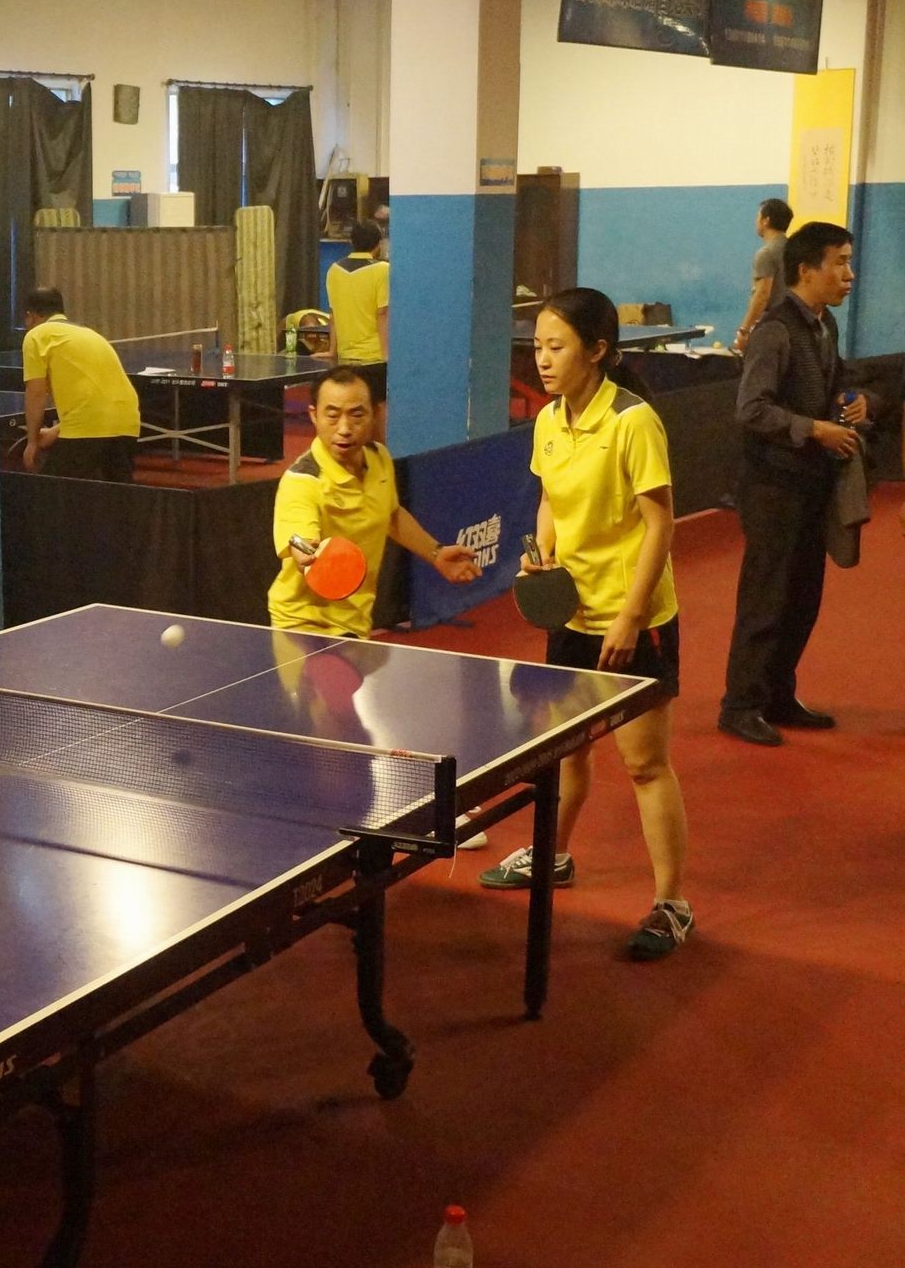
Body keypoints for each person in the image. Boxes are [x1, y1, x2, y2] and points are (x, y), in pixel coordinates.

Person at [479, 288, 693, 962]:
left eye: (557, 347)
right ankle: (554, 855)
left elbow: (660, 524)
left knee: (645, 764)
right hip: (572, 611)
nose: (542, 359)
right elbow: (550, 499)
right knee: (566, 750)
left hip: (633, 617)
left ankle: (672, 904)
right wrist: (541, 552)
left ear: (597, 350)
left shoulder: (633, 421)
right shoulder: (549, 419)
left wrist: (629, 615)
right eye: (538, 346)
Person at [719, 220, 876, 746]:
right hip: (772, 488)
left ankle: (778, 696)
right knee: (766, 599)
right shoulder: (775, 331)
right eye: (840, 263)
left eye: (849, 262)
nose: (849, 274)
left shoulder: (824, 325)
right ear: (807, 270)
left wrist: (857, 402)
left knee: (802, 599)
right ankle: (740, 706)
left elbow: (835, 383)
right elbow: (751, 409)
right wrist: (814, 429)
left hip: (811, 485)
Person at [268, 366, 478, 641]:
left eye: (356, 415)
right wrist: (305, 555)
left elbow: (391, 515)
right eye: (332, 415)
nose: (344, 429)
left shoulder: (379, 457)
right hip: (305, 625)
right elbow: (301, 543)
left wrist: (436, 553)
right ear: (313, 416)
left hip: (355, 620)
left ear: (375, 414)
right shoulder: (303, 480)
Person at [17, 287, 142, 482]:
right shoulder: (91, 334)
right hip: (128, 421)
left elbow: (36, 392)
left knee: (51, 492)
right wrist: (55, 431)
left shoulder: (36, 335)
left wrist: (32, 442)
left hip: (88, 424)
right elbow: (97, 396)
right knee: (116, 495)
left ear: (30, 316)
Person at [325, 221, 390, 396]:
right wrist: (386, 356)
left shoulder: (333, 270)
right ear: (378, 244)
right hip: (374, 358)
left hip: (345, 359)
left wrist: (332, 351)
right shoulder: (383, 270)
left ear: (351, 242)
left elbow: (333, 315)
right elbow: (382, 314)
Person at [733, 197, 794, 353]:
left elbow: (762, 295)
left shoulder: (766, 254)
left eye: (758, 217)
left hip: (771, 327)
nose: (756, 221)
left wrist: (744, 330)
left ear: (766, 221)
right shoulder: (795, 250)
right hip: (795, 324)